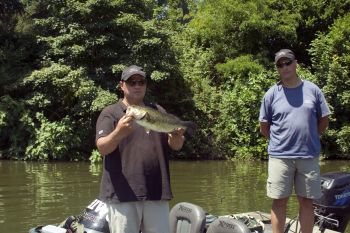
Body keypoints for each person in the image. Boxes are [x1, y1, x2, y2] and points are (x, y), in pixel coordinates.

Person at [95, 65, 186, 233]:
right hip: (122, 195)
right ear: (122, 85)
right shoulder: (111, 113)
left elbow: (176, 146)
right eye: (132, 82)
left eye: (141, 82)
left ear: (146, 85)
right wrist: (118, 133)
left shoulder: (157, 111)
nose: (137, 86)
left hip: (157, 192)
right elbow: (102, 148)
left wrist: (176, 136)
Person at [259, 49, 331, 233]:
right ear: (277, 68)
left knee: (307, 202)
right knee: (279, 201)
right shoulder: (271, 94)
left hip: (308, 156)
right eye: (280, 64)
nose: (284, 67)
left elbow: (324, 120)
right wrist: (281, 141)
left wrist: (311, 137)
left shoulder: (313, 90)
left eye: (288, 62)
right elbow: (264, 127)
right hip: (280, 157)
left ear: (296, 63)